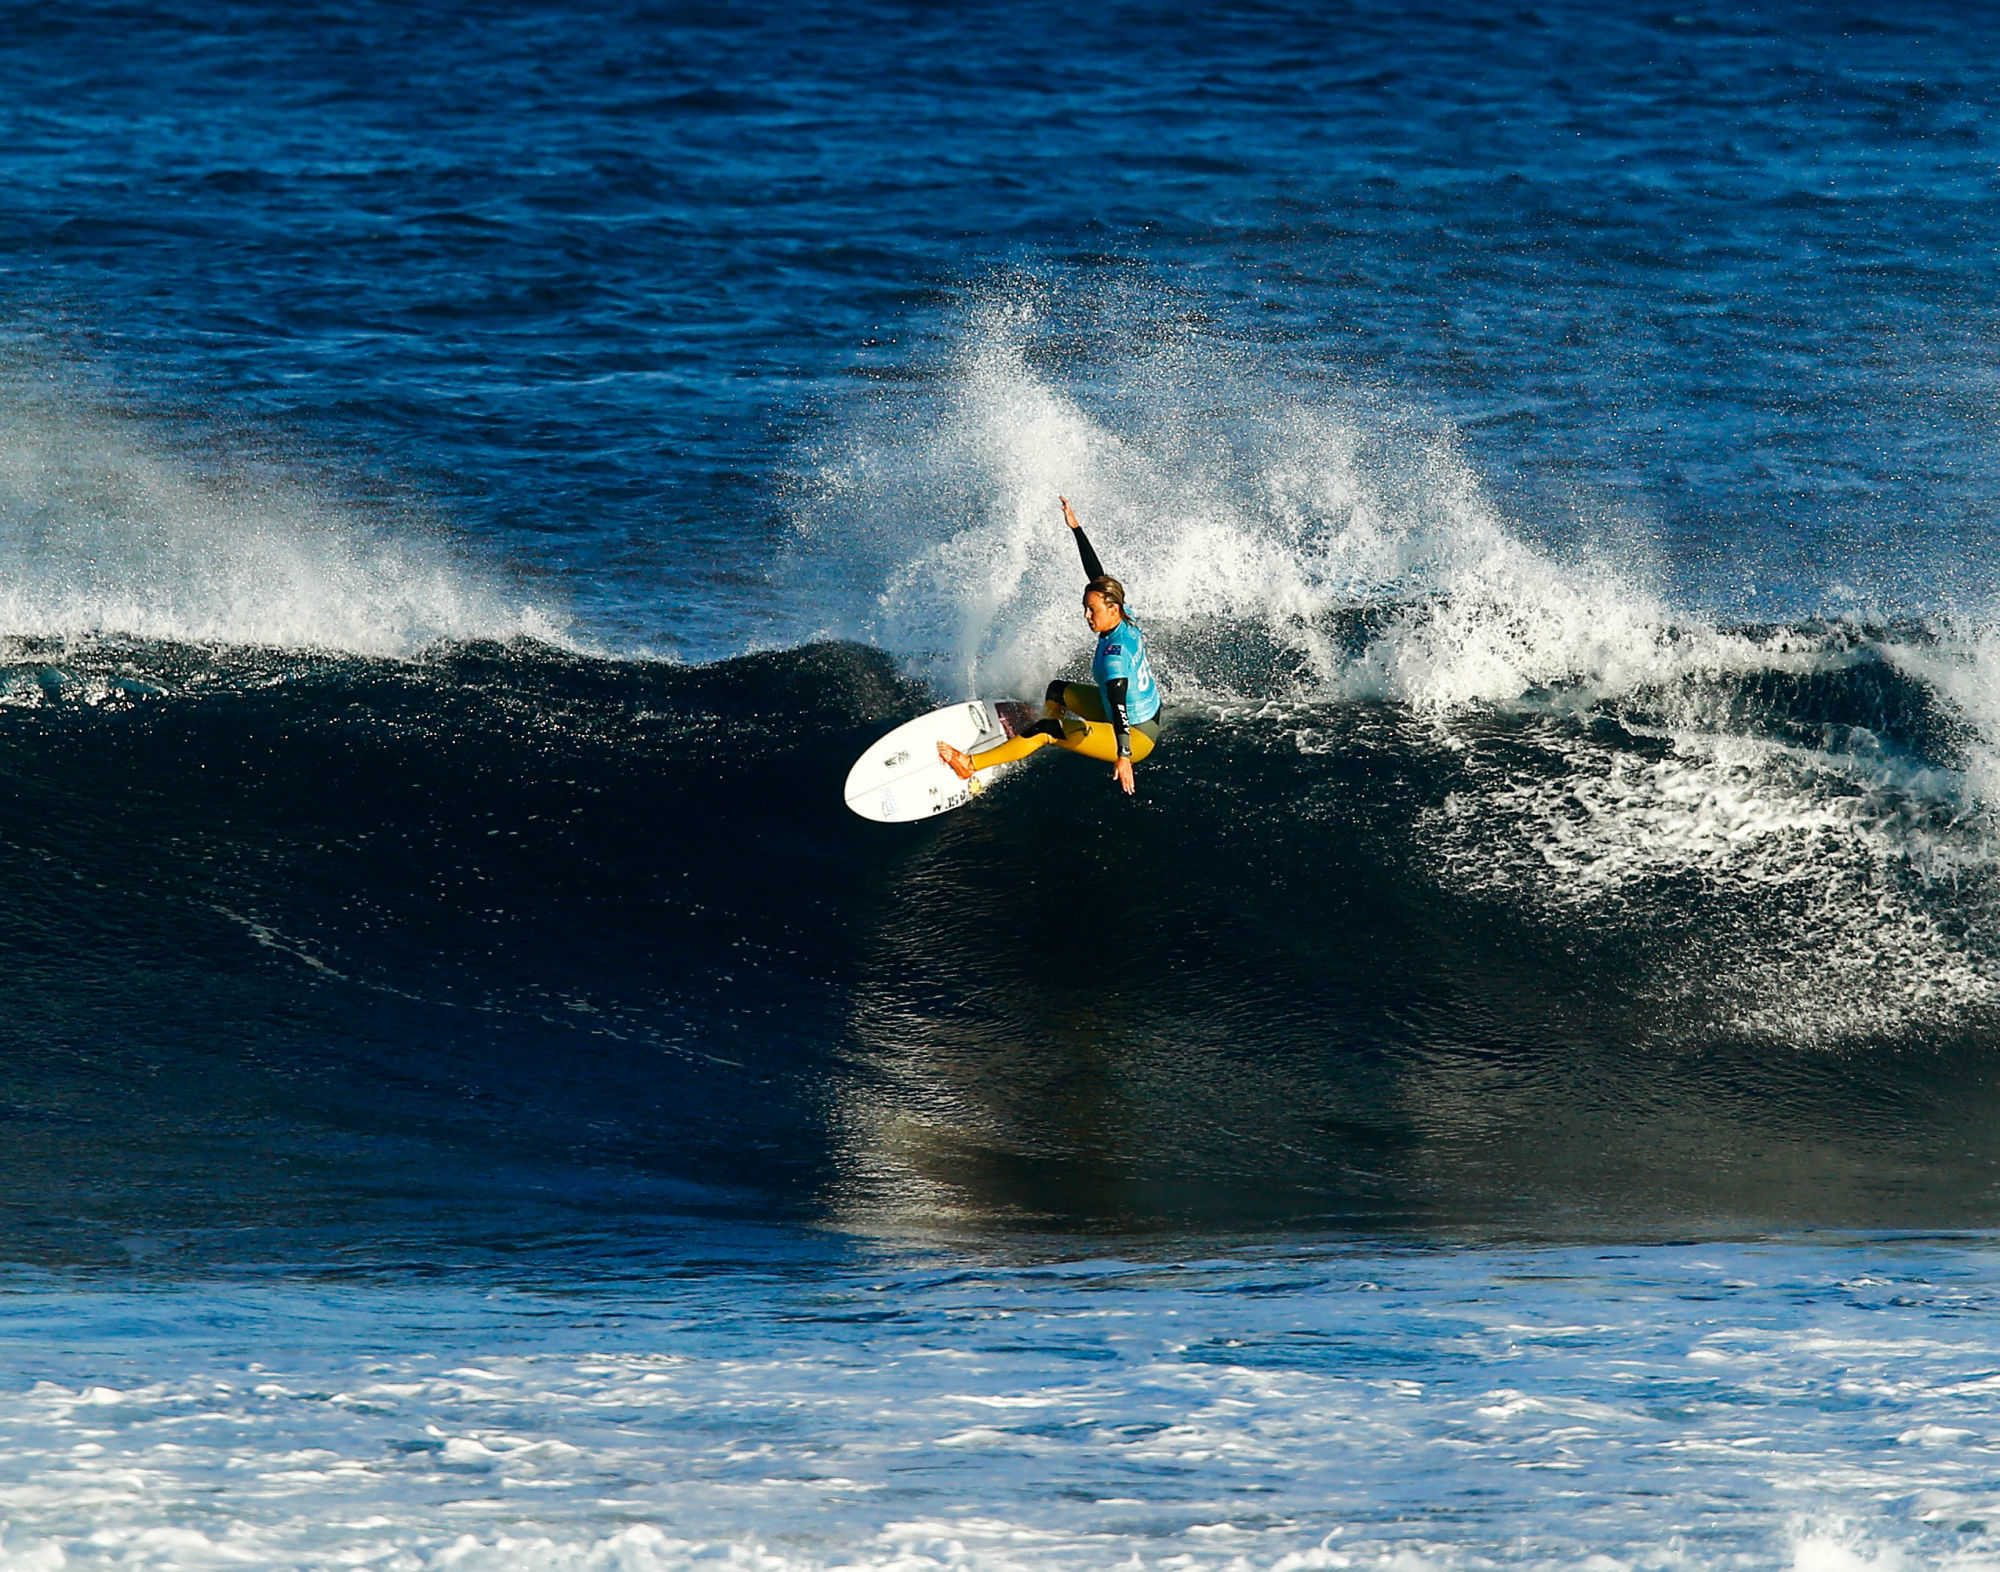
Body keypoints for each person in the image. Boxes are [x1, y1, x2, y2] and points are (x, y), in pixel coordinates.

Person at [939, 496, 1162, 796]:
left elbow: (1119, 707)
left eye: (1091, 610)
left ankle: (971, 763)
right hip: (1141, 712)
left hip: (1136, 736)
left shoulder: (1114, 659)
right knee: (1057, 690)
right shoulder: (1125, 614)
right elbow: (1097, 574)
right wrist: (1076, 527)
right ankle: (1039, 733)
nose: (1086, 615)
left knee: (1047, 731)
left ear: (1111, 608)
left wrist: (1124, 758)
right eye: (1085, 607)